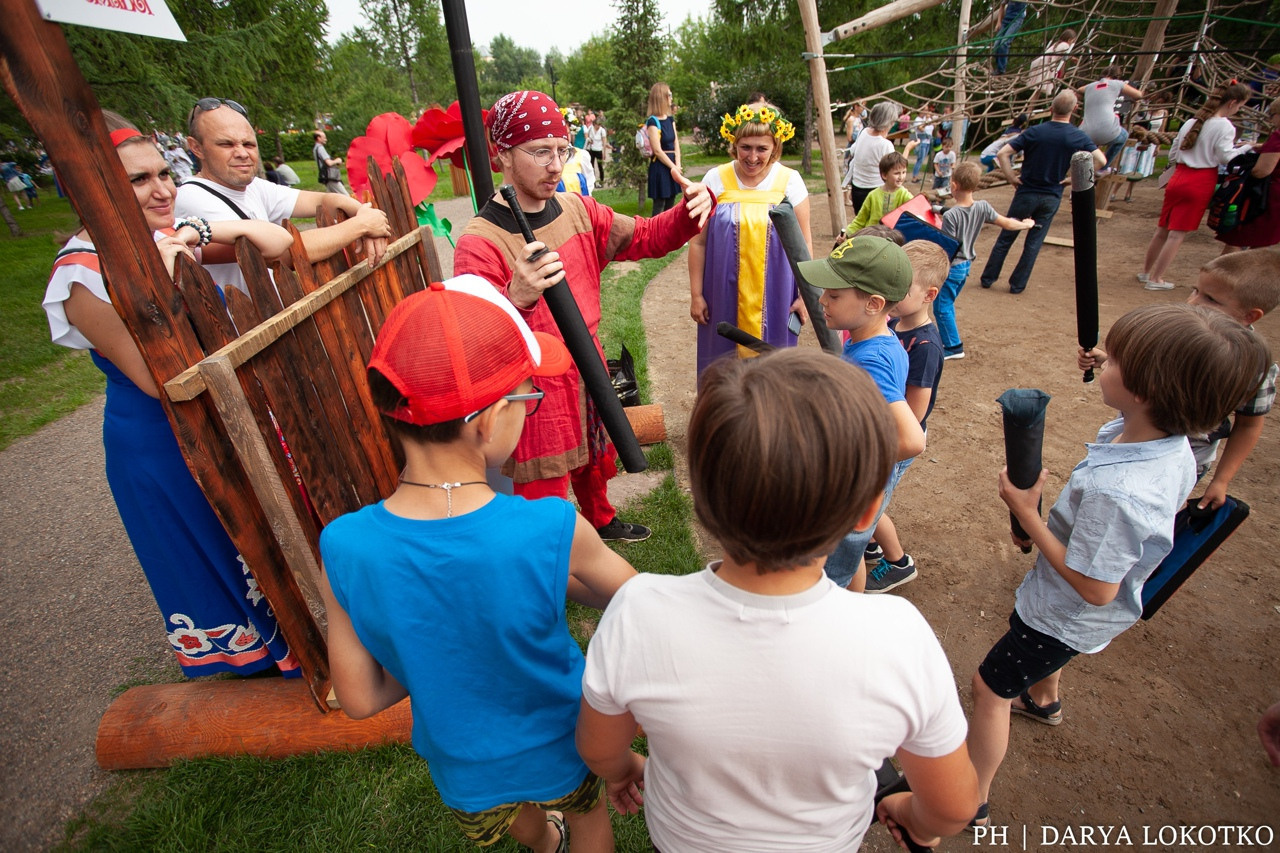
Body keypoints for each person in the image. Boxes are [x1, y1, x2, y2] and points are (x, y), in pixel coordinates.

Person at [575, 348, 981, 852]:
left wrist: (628, 770)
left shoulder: (638, 610)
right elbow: (954, 806)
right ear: (868, 512)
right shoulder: (899, 636)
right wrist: (908, 811)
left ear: (699, 500)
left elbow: (598, 747)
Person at [320, 275, 636, 852]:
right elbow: (636, 598)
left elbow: (361, 699)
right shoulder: (550, 525)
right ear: (488, 419)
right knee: (586, 816)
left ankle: (544, 844)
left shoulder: (343, 544)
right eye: (527, 395)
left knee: (510, 819)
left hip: (461, 767)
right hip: (564, 740)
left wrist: (430, 655)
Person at [967, 303, 1269, 830]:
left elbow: (1095, 587)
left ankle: (973, 795)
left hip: (1064, 613)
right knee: (1042, 661)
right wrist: (1119, 359)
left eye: (1114, 362)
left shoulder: (1120, 492)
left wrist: (1026, 513)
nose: (1101, 366)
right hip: (1074, 619)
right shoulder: (1169, 441)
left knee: (989, 689)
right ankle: (1044, 700)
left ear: (1146, 391)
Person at [42, 111, 300, 678]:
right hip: (160, 438)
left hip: (220, 413)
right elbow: (157, 377)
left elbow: (278, 243)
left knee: (262, 529)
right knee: (214, 540)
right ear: (91, 190)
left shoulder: (166, 237)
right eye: (138, 179)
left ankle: (298, 639)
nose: (162, 190)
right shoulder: (80, 274)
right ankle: (248, 660)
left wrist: (201, 232)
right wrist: (160, 279)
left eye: (165, 172)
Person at [453, 90, 714, 544]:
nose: (556, 165)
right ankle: (548, 563)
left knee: (594, 459)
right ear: (503, 157)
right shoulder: (480, 242)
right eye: (539, 152)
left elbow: (646, 237)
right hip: (532, 386)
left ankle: (601, 518)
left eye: (561, 150)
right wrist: (515, 295)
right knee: (544, 487)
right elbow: (476, 337)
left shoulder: (577, 208)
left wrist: (690, 214)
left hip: (587, 361)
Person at [1081, 249, 1280, 511]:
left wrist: (1221, 480)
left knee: (1136, 508)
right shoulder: (1180, 332)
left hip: (1182, 456)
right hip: (1137, 434)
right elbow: (1155, 377)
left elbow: (1249, 426)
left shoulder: (1254, 367)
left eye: (1210, 298)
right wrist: (1108, 360)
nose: (1193, 302)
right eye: (1195, 290)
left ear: (1250, 316)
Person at [797, 238, 925, 590]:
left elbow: (912, 441)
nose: (822, 300)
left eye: (834, 296)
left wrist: (849, 458)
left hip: (857, 481)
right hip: (861, 480)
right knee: (851, 556)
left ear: (874, 304)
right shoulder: (868, 338)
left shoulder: (872, 359)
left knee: (833, 567)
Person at [175, 98, 390, 296]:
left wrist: (362, 212)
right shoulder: (194, 198)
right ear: (196, 148)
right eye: (226, 144)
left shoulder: (252, 187)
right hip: (239, 331)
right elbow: (284, 254)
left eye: (248, 144)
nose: (242, 153)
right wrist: (362, 226)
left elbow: (321, 201)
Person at [689, 104, 809, 378]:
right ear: (735, 144)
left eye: (761, 148)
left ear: (774, 147)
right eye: (745, 147)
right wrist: (696, 295)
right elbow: (698, 243)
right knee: (721, 364)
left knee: (774, 367)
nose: (752, 157)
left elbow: (804, 245)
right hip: (722, 293)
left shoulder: (790, 182)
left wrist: (804, 297)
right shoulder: (716, 179)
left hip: (776, 293)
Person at [864, 240, 950, 593]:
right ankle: (868, 539)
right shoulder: (895, 326)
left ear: (929, 294)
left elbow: (912, 417)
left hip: (894, 445)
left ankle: (898, 561)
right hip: (878, 434)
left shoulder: (925, 348)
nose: (892, 294)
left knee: (868, 505)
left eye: (903, 288)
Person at [980, 90, 1104, 294]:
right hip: (1052, 194)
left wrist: (1010, 176)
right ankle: (1017, 285)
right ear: (1074, 110)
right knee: (1034, 242)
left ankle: (988, 278)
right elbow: (1100, 160)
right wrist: (1073, 179)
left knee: (1007, 235)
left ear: (1051, 108)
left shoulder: (1034, 132)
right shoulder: (1076, 136)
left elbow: (1003, 153)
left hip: (1026, 191)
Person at [1139, 82, 1253, 291]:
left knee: (1163, 229)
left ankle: (1145, 272)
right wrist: (1245, 147)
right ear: (1233, 102)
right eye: (1239, 106)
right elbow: (1225, 157)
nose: (1238, 110)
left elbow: (1174, 151)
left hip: (1179, 175)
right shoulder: (1225, 126)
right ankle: (1156, 278)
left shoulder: (1192, 122)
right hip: (1200, 179)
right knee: (1177, 234)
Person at [937, 162, 1035, 359]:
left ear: (954, 186)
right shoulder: (982, 207)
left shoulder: (952, 215)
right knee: (948, 303)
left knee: (941, 307)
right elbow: (1006, 223)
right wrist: (1026, 225)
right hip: (966, 265)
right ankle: (950, 337)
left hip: (953, 265)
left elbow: (947, 245)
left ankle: (953, 346)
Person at [1218, 97, 1280, 252]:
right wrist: (1258, 147)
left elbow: (1262, 170)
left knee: (1242, 237)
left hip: (1268, 197)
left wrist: (1244, 173)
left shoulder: (1278, 138)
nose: (1271, 120)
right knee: (1262, 241)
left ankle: (1228, 274)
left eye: (1272, 115)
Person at [843, 101, 916, 212]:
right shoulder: (885, 145)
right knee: (876, 228)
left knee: (862, 225)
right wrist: (908, 148)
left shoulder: (864, 132)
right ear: (889, 122)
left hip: (857, 189)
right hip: (875, 193)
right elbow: (897, 169)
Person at [1079, 66, 1146, 170]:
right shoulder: (1118, 83)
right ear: (1116, 77)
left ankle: (1088, 166)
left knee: (1092, 143)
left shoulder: (1090, 86)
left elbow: (1079, 90)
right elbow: (1138, 95)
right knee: (1123, 136)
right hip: (1107, 132)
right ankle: (1103, 168)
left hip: (1085, 133)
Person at [846, 152, 914, 234]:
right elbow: (860, 220)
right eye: (897, 173)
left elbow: (917, 210)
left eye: (904, 172)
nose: (901, 177)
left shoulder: (904, 195)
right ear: (884, 175)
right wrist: (846, 233)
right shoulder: (873, 195)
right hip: (872, 238)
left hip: (894, 239)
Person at [644, 83, 682, 216]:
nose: (671, 98)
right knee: (659, 206)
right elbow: (658, 150)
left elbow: (676, 143)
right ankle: (653, 235)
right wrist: (673, 167)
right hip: (660, 167)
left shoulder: (670, 119)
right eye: (669, 95)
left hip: (672, 165)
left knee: (671, 205)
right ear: (662, 97)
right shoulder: (652, 122)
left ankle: (668, 235)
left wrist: (678, 164)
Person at [1026, 29, 1077, 110]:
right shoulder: (1065, 45)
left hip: (1041, 63)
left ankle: (1029, 109)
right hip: (1044, 65)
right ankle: (1029, 110)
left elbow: (1061, 56)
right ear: (1069, 40)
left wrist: (1071, 58)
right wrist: (1062, 74)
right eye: (1073, 41)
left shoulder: (1058, 44)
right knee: (1038, 90)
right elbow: (1063, 58)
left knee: (1037, 90)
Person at [991, 1, 1028, 75]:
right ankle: (998, 68)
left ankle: (1001, 70)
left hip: (1017, 19)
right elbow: (1002, 6)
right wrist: (999, 22)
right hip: (1006, 19)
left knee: (1004, 43)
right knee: (996, 44)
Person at [312, 130, 349, 196]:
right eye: (324, 137)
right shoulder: (320, 148)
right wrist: (338, 160)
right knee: (346, 197)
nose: (326, 139)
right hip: (330, 176)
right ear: (318, 138)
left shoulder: (315, 148)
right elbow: (329, 163)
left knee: (331, 198)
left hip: (325, 176)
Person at [911, 103, 938, 181]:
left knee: (922, 159)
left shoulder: (928, 119)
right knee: (920, 159)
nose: (927, 112)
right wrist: (926, 120)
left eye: (927, 110)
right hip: (921, 141)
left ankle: (916, 176)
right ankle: (914, 177)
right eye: (925, 110)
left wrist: (933, 119)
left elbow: (934, 126)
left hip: (928, 141)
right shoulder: (917, 120)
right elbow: (921, 129)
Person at [584, 116, 607, 185]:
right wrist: (588, 139)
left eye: (599, 125)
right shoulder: (591, 128)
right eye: (597, 125)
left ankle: (601, 181)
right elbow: (586, 134)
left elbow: (604, 142)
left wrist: (604, 152)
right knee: (591, 166)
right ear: (595, 124)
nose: (598, 126)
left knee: (600, 166)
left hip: (599, 149)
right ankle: (593, 181)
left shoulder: (602, 130)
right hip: (592, 149)